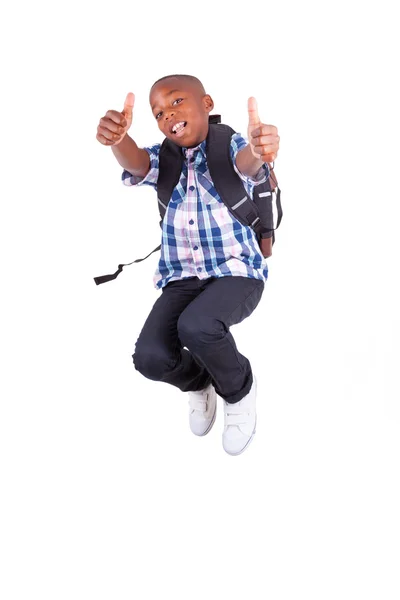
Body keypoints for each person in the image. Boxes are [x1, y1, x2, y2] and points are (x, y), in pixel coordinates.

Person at [95, 74, 280, 456]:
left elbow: (248, 164)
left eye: (178, 102)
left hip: (236, 272)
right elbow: (138, 162)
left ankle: (239, 388)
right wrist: (118, 141)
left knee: (197, 326)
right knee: (150, 357)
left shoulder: (229, 146)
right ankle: (199, 382)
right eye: (159, 112)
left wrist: (261, 151)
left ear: (206, 104)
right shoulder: (166, 158)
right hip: (182, 278)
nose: (168, 115)